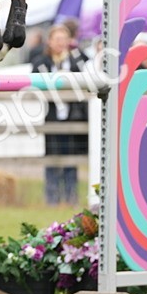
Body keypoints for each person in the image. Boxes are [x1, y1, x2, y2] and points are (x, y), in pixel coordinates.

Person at [33, 24, 88, 206]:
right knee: (52, 158)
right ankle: (52, 199)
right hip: (52, 117)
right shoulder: (42, 62)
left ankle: (71, 198)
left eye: (64, 39)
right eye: (57, 39)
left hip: (73, 117)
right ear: (49, 41)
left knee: (71, 161)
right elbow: (33, 85)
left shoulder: (76, 61)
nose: (60, 43)